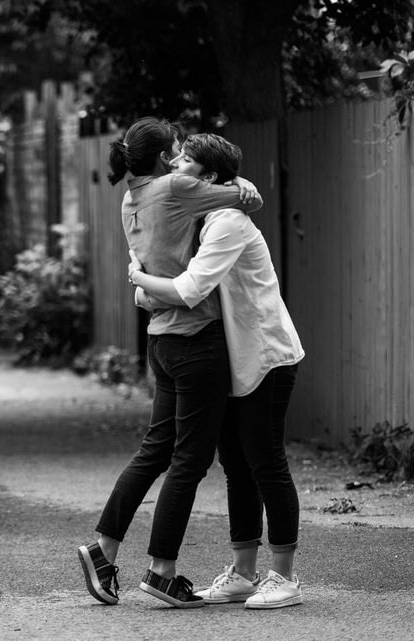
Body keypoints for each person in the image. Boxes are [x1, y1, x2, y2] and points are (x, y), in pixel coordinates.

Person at [76, 118, 263, 609]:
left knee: (156, 450)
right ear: (163, 158)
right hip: (198, 338)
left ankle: (104, 547)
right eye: (176, 150)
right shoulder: (177, 187)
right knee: (190, 460)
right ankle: (162, 571)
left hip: (159, 339)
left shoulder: (130, 198)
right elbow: (249, 198)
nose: (181, 156)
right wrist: (232, 178)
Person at [127, 132, 305, 610]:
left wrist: (139, 280)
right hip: (230, 358)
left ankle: (284, 577)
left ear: (205, 177)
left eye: (183, 162)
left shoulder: (227, 222)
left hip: (265, 355)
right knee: (236, 465)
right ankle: (244, 573)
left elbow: (187, 289)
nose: (172, 168)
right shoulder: (200, 214)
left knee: (265, 460)